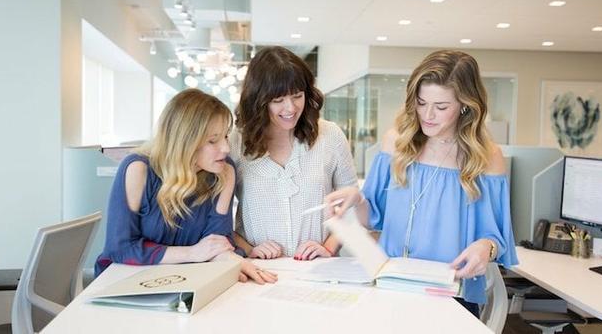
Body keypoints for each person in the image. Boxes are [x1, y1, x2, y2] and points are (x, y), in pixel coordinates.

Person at [325, 50, 518, 316]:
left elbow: (496, 237)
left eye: (441, 107)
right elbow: (372, 220)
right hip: (389, 286)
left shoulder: (487, 157)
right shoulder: (396, 143)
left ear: (465, 105)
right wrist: (357, 200)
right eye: (421, 102)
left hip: (449, 294)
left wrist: (486, 247)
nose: (427, 115)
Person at [95, 88, 277, 284]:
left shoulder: (224, 171)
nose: (226, 148)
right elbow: (120, 248)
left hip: (187, 280)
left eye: (225, 136)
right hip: (125, 281)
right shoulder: (138, 169)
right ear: (184, 141)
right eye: (213, 141)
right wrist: (192, 253)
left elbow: (217, 243)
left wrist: (232, 261)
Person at [230, 46, 358, 260]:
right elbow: (214, 219)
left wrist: (328, 247)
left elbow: (351, 203)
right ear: (258, 101)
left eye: (297, 96)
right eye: (278, 100)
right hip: (258, 271)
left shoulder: (330, 135)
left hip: (318, 270)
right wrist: (249, 250)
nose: (290, 108)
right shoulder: (235, 143)